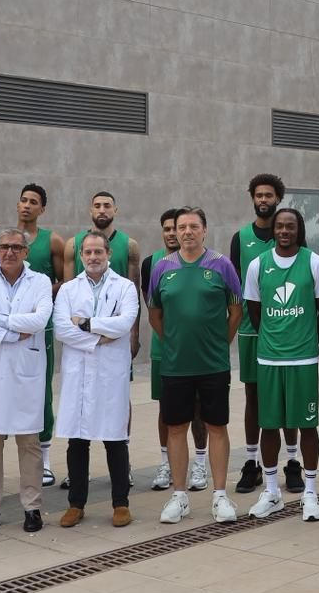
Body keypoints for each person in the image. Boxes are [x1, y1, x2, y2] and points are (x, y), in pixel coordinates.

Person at [151, 207, 244, 524]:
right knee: (176, 429)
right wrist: (174, 342)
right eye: (181, 227)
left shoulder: (222, 265)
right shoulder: (162, 267)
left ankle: (220, 496)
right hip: (175, 365)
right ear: (174, 232)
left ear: (204, 230)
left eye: (193, 226)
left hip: (213, 364)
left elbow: (236, 310)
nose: (187, 232)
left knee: (217, 427)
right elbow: (155, 314)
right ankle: (179, 496)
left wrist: (221, 342)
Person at [245, 208, 319, 522]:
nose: (285, 231)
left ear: (299, 230)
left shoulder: (315, 263)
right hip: (269, 358)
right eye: (280, 226)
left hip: (303, 359)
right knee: (269, 426)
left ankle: (310, 492)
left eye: (291, 226)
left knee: (306, 425)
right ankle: (271, 491)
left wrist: (310, 339)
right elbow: (255, 312)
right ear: (274, 230)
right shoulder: (258, 265)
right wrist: (273, 338)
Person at [0, 227, 55, 534]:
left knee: (28, 442)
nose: (10, 252)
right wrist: (14, 332)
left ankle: (32, 507)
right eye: (4, 247)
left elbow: (40, 319)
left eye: (17, 247)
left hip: (24, 370)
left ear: (26, 252)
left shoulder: (40, 281)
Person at [53, 231, 141, 528]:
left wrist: (86, 323)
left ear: (108, 254)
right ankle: (76, 504)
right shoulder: (68, 290)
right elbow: (61, 329)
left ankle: (120, 503)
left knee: (115, 438)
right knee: (77, 441)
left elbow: (125, 322)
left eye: (98, 252)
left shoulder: (125, 287)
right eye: (87, 252)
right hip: (79, 372)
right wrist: (98, 337)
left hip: (110, 372)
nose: (93, 257)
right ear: (81, 256)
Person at [143, 209, 208, 491]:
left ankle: (201, 463)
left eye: (178, 227)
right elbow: (153, 309)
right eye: (168, 228)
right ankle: (166, 462)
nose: (174, 233)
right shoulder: (153, 264)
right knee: (166, 410)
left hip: (199, 352)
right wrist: (169, 339)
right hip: (165, 351)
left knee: (199, 409)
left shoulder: (210, 263)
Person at [229, 173, 285, 494]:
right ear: (252, 198)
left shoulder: (287, 233)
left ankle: (290, 461)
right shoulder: (241, 237)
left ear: (278, 198)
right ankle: (252, 462)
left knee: (283, 397)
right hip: (252, 332)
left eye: (269, 195)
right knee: (253, 397)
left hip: (284, 330)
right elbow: (237, 287)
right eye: (259, 195)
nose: (263, 200)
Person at [15, 183, 65, 487]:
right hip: (7, 329)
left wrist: (41, 291)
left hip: (39, 328)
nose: (27, 205)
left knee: (41, 391)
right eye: (23, 200)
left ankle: (44, 460)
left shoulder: (53, 241)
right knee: (3, 390)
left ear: (42, 209)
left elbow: (65, 282)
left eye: (33, 202)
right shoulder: (2, 240)